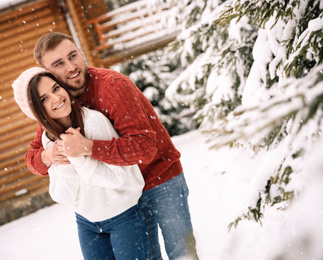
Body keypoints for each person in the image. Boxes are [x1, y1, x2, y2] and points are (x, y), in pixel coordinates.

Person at [25, 32, 198, 260]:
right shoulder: (58, 102)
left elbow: (145, 147)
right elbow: (34, 159)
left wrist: (87, 146)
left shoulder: (112, 86)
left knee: (182, 253)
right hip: (124, 197)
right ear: (47, 73)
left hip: (160, 178)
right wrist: (47, 157)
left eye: (73, 56)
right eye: (59, 64)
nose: (71, 66)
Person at [12, 67, 148, 260]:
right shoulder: (48, 139)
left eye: (56, 88)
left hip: (123, 216)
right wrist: (63, 162)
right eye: (44, 99)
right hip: (87, 224)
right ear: (37, 110)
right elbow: (62, 195)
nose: (56, 98)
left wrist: (79, 155)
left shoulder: (93, 122)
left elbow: (119, 178)